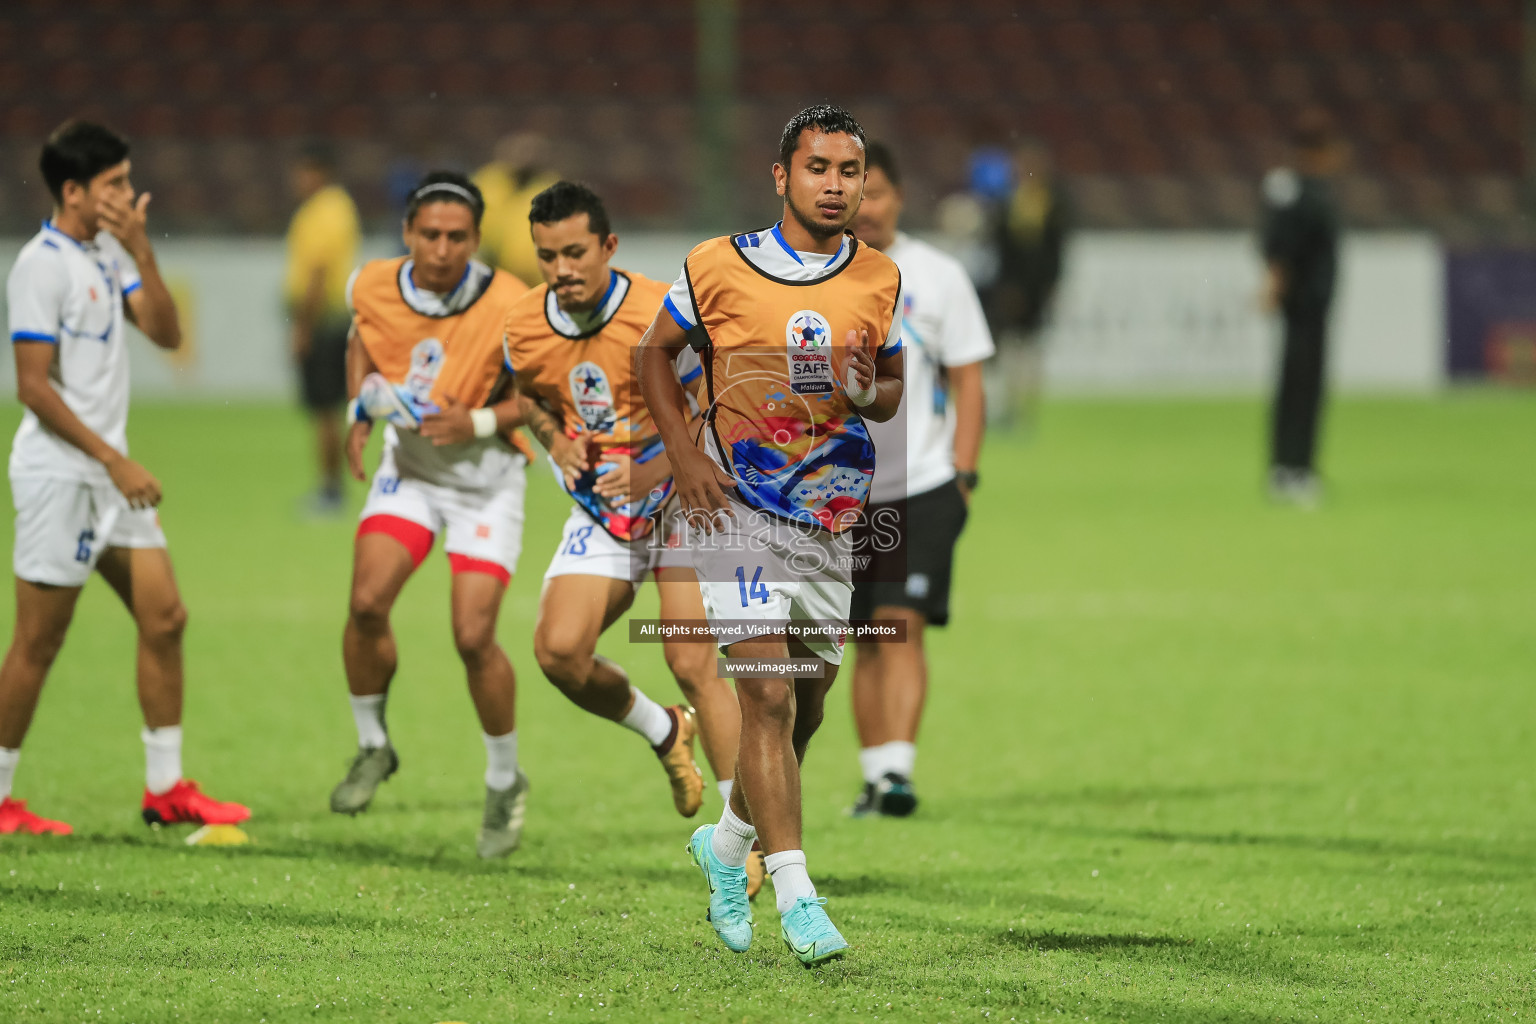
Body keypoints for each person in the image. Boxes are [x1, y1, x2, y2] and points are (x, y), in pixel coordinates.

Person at [638, 104, 905, 965]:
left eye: (849, 172)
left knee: (811, 699)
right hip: (733, 509)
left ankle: (722, 848)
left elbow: (891, 385)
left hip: (829, 512)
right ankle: (796, 893)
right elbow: (654, 355)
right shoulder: (714, 266)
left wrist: (871, 392)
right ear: (781, 175)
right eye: (818, 168)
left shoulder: (880, 278)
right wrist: (684, 456)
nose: (835, 185)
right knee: (767, 694)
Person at [503, 182, 758, 882]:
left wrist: (659, 466)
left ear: (609, 247)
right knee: (558, 653)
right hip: (604, 512)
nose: (562, 268)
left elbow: (721, 394)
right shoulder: (524, 323)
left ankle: (746, 842)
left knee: (691, 661)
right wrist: (554, 439)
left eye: (576, 251)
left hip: (680, 500)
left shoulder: (657, 309)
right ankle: (663, 729)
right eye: (548, 255)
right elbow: (528, 391)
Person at [0, 121, 250, 836]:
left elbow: (168, 335)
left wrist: (141, 247)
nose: (125, 194)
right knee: (39, 642)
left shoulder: (111, 253)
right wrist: (113, 459)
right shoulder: (39, 267)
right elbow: (33, 388)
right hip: (64, 476)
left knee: (166, 619)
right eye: (111, 184)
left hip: (110, 476)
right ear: (72, 190)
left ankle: (165, 789)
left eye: (126, 180)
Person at [330, 172, 535, 860]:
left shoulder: (513, 302)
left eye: (457, 237)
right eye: (430, 235)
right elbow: (364, 339)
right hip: (411, 472)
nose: (443, 249)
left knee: (473, 638)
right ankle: (372, 745)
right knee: (365, 604)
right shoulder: (371, 283)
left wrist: (476, 419)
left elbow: (537, 401)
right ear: (407, 235)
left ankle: (505, 782)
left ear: (476, 240)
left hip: (486, 483)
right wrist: (362, 406)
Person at [846, 142, 993, 817]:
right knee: (861, 638)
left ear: (898, 197)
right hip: (837, 490)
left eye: (874, 192)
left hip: (923, 481)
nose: (863, 206)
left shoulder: (937, 275)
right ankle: (875, 776)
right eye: (853, 193)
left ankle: (898, 772)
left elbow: (967, 376)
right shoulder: (816, 278)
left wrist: (963, 474)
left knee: (900, 624)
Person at [1261, 108, 1344, 507]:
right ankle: (1294, 471)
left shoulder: (1294, 189)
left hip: (1310, 307)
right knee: (1302, 390)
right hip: (1304, 307)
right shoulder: (1302, 194)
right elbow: (1281, 250)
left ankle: (1288, 468)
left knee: (1297, 388)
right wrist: (1274, 288)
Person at [285, 142, 361, 515]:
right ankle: (334, 487)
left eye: (304, 171)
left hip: (325, 320)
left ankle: (331, 490)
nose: (298, 180)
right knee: (331, 407)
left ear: (320, 172)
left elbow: (316, 271)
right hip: (334, 318)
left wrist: (302, 327)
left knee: (324, 409)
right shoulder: (338, 207)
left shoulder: (322, 211)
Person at [983, 138, 1069, 430]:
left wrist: (1051, 285)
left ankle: (1024, 410)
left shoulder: (1052, 203)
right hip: (1009, 288)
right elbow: (1001, 249)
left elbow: (1057, 249)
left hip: (1036, 290)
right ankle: (1007, 406)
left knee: (1029, 350)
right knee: (1006, 349)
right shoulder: (1010, 203)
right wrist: (1006, 286)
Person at [472, 133, 559, 289]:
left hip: (535, 280)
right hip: (488, 273)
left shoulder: (551, 189)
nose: (525, 157)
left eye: (531, 151)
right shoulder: (489, 182)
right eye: (520, 150)